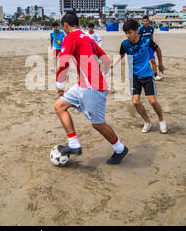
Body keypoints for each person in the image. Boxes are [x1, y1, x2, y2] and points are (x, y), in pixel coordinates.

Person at [54, 12, 129, 165]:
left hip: (92, 88)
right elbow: (106, 59)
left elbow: (63, 62)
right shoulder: (87, 38)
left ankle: (120, 149)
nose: (64, 30)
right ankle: (74, 144)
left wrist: (60, 85)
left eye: (63, 28)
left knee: (98, 124)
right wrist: (102, 75)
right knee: (59, 106)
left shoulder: (70, 37)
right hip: (84, 85)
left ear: (66, 25)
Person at [112, 19, 167, 134]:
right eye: (126, 33)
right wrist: (113, 64)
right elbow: (121, 54)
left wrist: (160, 64)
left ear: (136, 31)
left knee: (152, 101)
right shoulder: (125, 44)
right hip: (134, 77)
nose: (128, 35)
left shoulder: (146, 41)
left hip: (147, 75)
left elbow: (158, 49)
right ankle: (147, 121)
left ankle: (161, 119)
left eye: (130, 32)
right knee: (135, 101)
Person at [138, 15, 162, 81]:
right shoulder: (140, 29)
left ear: (149, 21)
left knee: (153, 60)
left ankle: (156, 75)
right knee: (144, 62)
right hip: (143, 48)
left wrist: (153, 47)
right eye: (144, 21)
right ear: (142, 22)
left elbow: (152, 37)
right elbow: (138, 39)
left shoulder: (151, 28)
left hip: (150, 47)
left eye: (146, 21)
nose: (145, 22)